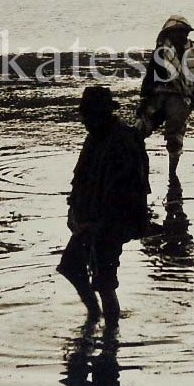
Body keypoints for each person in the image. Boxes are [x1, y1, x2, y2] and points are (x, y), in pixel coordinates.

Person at [57, 86, 152, 326]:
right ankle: (94, 313)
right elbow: (80, 178)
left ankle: (110, 337)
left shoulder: (123, 141)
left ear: (101, 114)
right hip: (89, 221)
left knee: (105, 282)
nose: (84, 122)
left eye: (88, 116)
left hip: (111, 225)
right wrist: (73, 211)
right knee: (71, 266)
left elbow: (125, 193)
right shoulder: (94, 138)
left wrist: (99, 225)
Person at [134, 15, 194, 194]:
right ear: (170, 34)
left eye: (183, 33)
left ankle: (172, 174)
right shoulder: (161, 52)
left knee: (175, 139)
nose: (181, 36)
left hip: (181, 99)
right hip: (158, 98)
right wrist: (144, 99)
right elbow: (150, 76)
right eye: (178, 33)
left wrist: (193, 102)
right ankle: (140, 172)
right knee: (138, 132)